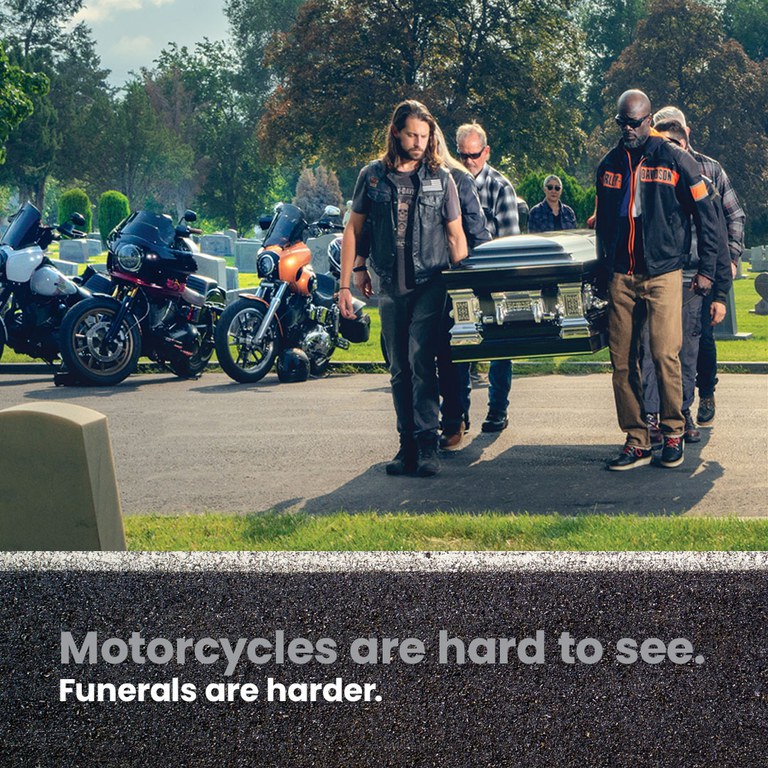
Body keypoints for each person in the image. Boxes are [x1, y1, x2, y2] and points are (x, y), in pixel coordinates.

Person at [339, 100, 468, 477]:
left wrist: (465, 289)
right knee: (398, 366)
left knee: (420, 358)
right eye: (412, 134)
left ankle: (428, 444)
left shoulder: (441, 178)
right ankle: (406, 444)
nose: (419, 142)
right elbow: (354, 229)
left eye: (424, 136)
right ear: (396, 132)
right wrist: (348, 280)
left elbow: (456, 236)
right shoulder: (372, 177)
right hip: (390, 284)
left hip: (431, 282)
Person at [595, 89, 721, 470]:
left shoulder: (677, 160)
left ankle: (673, 433)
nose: (629, 129)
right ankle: (636, 439)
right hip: (621, 274)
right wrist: (603, 271)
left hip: (664, 273)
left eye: (635, 123)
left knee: (665, 354)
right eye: (623, 123)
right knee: (622, 362)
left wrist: (707, 271)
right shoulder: (609, 165)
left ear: (648, 120)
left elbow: (708, 217)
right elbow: (603, 225)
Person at [640, 118, 733, 447]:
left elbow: (717, 239)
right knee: (651, 350)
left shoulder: (702, 182)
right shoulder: (647, 181)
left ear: (684, 145)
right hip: (655, 275)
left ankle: (682, 412)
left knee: (688, 353)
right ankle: (652, 415)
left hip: (692, 279)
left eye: (673, 145)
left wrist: (720, 292)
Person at [456, 121, 520, 433]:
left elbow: (510, 241)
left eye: (475, 154)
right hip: (458, 275)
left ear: (486, 151)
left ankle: (497, 410)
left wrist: (505, 285)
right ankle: (458, 412)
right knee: (458, 346)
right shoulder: (450, 182)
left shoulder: (500, 187)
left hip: (493, 275)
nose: (470, 161)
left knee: (499, 347)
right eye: (464, 155)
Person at [433, 126, 492, 449]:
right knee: (425, 354)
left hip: (453, 276)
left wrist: (475, 279)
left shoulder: (458, 179)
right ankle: (439, 420)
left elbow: (478, 233)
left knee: (450, 353)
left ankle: (453, 420)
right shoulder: (409, 178)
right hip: (421, 275)